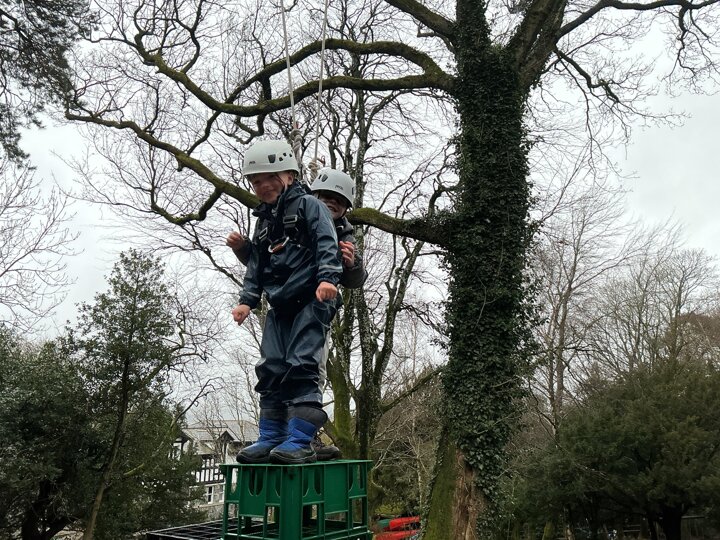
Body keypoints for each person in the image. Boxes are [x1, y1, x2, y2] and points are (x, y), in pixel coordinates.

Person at [227, 167, 367, 461]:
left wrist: (349, 265)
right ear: (313, 197)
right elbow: (266, 259)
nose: (330, 205)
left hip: (315, 300)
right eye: (325, 198)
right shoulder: (289, 217)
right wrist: (244, 256)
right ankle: (272, 435)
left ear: (345, 209)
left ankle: (303, 438)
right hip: (283, 302)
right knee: (273, 365)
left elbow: (351, 277)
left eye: (338, 202)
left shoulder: (342, 234)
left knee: (305, 365)